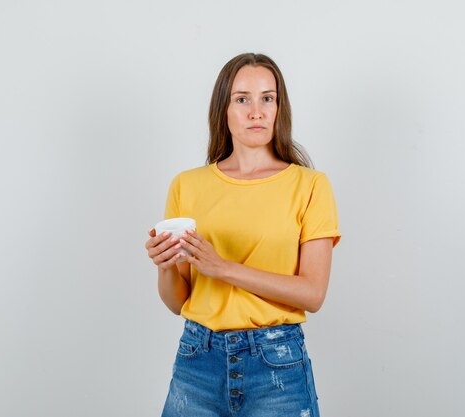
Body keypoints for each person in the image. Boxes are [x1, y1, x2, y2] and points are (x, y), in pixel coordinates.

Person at [144, 53, 341, 417]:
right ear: (224, 110)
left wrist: (224, 269)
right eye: (242, 99)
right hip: (197, 361)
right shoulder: (187, 185)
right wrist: (165, 266)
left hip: (276, 366)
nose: (256, 111)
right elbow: (177, 302)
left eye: (268, 98)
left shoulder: (310, 185)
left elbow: (313, 294)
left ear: (280, 108)